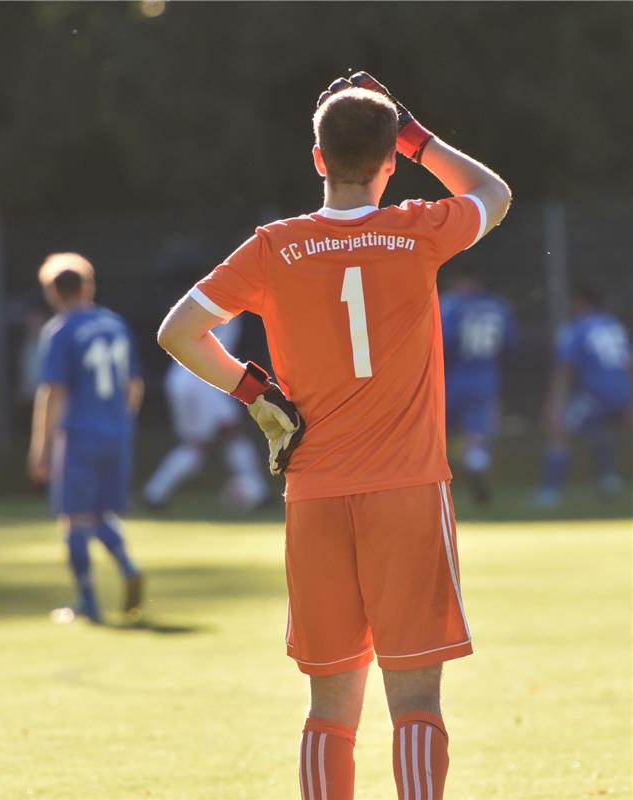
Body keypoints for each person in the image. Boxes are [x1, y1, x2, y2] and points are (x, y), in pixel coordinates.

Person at [157, 72, 511, 800]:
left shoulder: (274, 247)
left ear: (315, 158)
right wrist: (417, 137)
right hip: (407, 494)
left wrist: (255, 393)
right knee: (415, 703)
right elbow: (494, 194)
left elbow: (177, 332)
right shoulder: (417, 229)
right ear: (389, 160)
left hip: (314, 494)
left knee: (328, 712)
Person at [27, 253, 145, 624]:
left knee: (74, 518)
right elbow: (134, 385)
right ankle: (127, 568)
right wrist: (121, 424)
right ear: (88, 286)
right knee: (99, 513)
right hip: (116, 432)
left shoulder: (60, 331)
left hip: (79, 435)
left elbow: (53, 393)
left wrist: (41, 448)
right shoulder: (115, 324)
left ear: (52, 292)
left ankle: (88, 602)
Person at [143, 314, 269, 510]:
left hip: (185, 378)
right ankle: (259, 492)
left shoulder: (208, 297)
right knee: (223, 436)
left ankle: (155, 494)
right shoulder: (227, 300)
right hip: (200, 379)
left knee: (211, 440)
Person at [533, 285, 631, 506]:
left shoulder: (576, 328)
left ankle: (550, 492)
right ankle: (608, 482)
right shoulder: (613, 325)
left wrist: (554, 405)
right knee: (599, 430)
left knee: (560, 432)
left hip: (597, 393)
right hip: (621, 391)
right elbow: (627, 364)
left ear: (580, 302)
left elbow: (564, 369)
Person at [440, 267, 517, 504]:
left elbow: (440, 340)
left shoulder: (450, 304)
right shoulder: (499, 306)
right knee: (477, 434)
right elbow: (510, 343)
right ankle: (476, 462)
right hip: (485, 377)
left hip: (451, 377)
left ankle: (438, 482)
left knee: (439, 433)